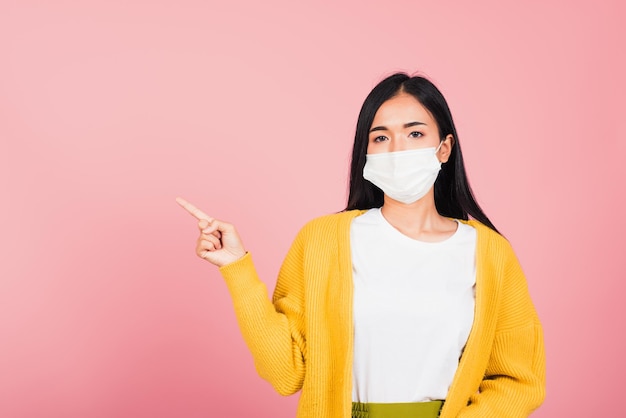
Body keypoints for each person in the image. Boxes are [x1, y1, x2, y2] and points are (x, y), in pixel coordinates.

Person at [177, 73, 546, 418]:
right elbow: (286, 372)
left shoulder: (491, 253)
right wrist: (237, 267)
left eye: (415, 134)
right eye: (381, 137)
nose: (397, 150)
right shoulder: (322, 239)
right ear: (366, 152)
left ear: (444, 148)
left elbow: (518, 380)